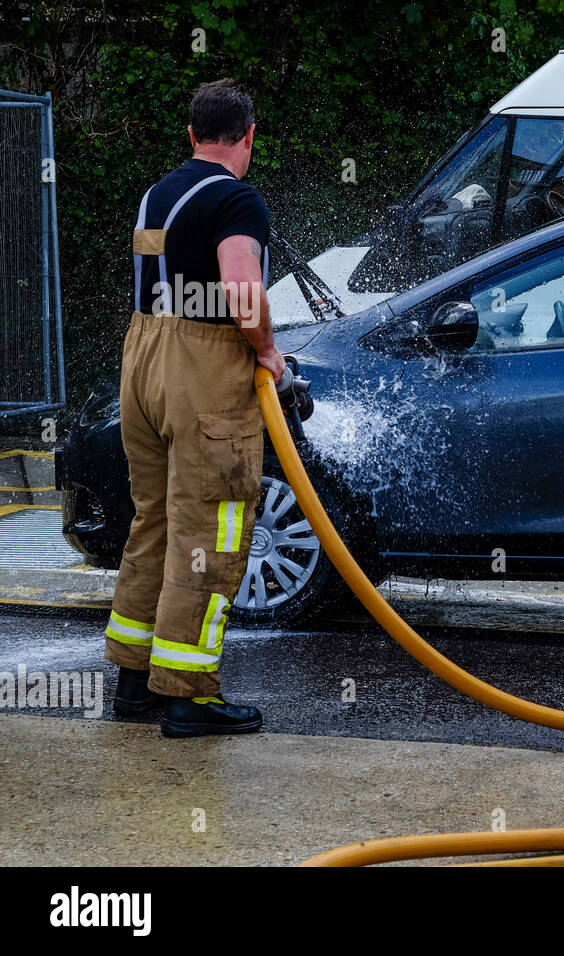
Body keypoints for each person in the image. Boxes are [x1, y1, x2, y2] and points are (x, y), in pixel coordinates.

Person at [104, 78, 286, 737]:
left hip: (143, 361)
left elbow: (167, 279)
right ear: (249, 136)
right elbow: (241, 290)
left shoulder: (158, 194)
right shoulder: (237, 199)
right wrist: (269, 356)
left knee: (153, 521)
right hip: (203, 372)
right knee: (210, 531)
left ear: (191, 135)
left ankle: (134, 679)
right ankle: (188, 695)